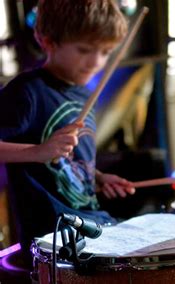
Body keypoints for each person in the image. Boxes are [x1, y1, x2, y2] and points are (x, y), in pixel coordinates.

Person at [0, 0, 136, 265]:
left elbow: (65, 161)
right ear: (48, 42)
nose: (96, 62)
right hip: (54, 235)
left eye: (106, 51)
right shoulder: (26, 92)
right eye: (85, 50)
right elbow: (45, 153)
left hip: (92, 223)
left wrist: (97, 178)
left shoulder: (85, 94)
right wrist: (39, 152)